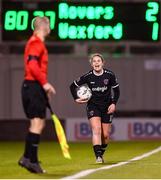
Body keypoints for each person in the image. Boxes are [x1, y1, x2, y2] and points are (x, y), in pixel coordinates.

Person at [18, 16, 56, 173]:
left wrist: (43, 89)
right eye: (49, 26)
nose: (50, 29)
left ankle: (27, 158)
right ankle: (31, 160)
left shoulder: (35, 42)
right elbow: (32, 66)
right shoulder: (36, 43)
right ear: (44, 27)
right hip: (33, 86)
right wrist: (45, 84)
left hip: (33, 87)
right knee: (37, 123)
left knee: (39, 123)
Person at [70, 53, 120, 163]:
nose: (96, 63)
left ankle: (100, 153)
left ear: (103, 63)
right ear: (91, 64)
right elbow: (72, 86)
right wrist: (76, 98)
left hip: (107, 107)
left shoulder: (110, 75)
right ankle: (98, 156)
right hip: (93, 106)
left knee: (106, 135)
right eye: (94, 61)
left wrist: (113, 103)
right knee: (96, 130)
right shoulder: (88, 76)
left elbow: (116, 91)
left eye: (98, 61)